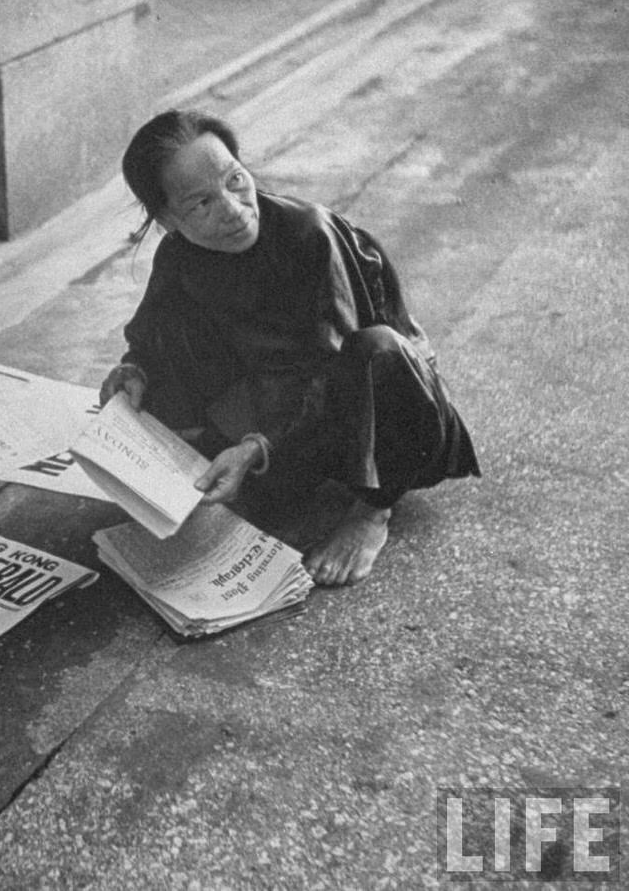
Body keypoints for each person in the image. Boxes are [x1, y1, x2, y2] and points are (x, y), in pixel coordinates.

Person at [99, 109, 479, 586]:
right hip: (283, 403)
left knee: (376, 348)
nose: (235, 210)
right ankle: (276, 474)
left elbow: (331, 367)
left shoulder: (308, 234)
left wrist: (258, 446)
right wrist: (133, 369)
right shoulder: (177, 255)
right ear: (167, 220)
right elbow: (153, 334)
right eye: (201, 204)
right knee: (154, 387)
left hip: (377, 407)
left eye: (236, 180)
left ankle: (371, 512)